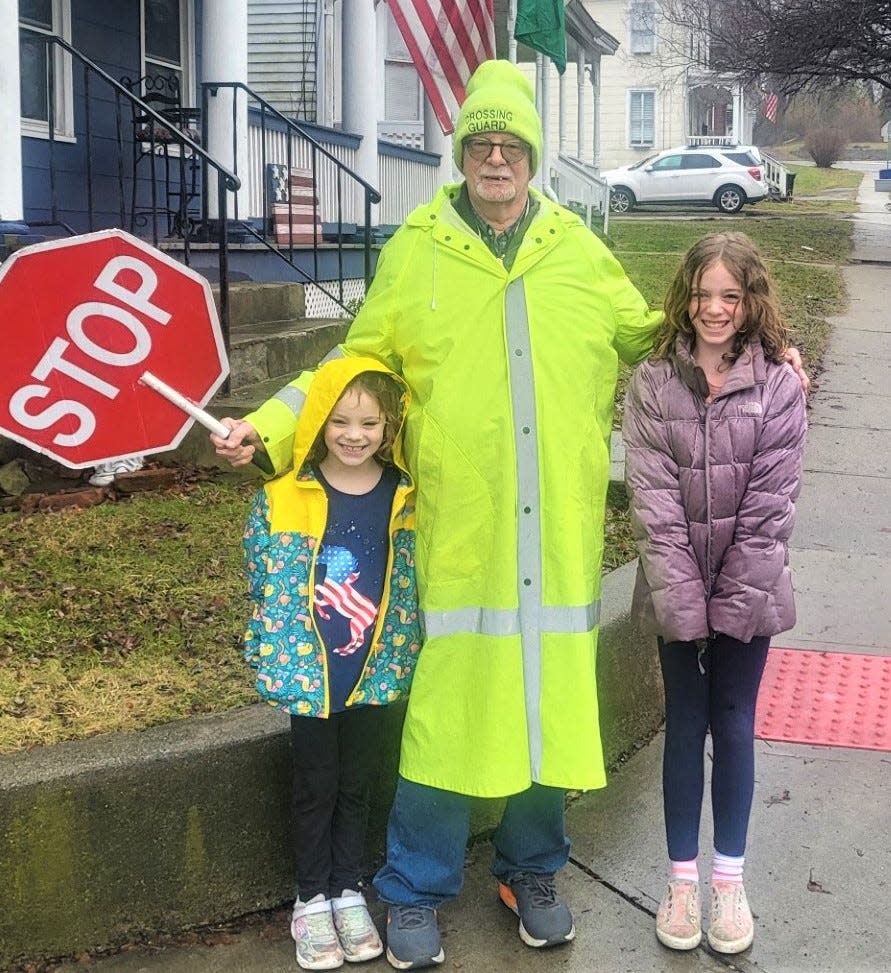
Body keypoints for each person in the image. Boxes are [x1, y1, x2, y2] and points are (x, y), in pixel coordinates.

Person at [214, 60, 805, 970]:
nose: (496, 158)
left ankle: (532, 869)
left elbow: (653, 330)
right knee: (448, 709)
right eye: (481, 143)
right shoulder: (416, 247)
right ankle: (414, 882)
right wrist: (266, 423)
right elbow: (354, 358)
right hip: (462, 533)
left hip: (558, 531)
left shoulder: (572, 243)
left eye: (512, 144)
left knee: (548, 708)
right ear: (462, 154)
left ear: (531, 155)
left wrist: (766, 344)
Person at [621, 232, 808, 957]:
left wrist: (728, 609)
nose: (713, 308)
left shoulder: (779, 386)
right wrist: (684, 608)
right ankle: (680, 880)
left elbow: (770, 506)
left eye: (729, 295)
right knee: (682, 725)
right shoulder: (651, 383)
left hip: (750, 594)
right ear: (685, 296)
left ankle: (727, 881)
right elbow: (652, 500)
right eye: (702, 293)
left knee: (731, 722)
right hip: (675, 593)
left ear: (750, 299)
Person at [242, 355, 421, 970]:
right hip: (312, 674)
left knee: (356, 784)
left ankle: (349, 889)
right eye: (341, 420)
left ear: (388, 427)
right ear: (319, 421)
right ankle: (310, 899)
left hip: (373, 670)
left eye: (369, 423)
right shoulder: (286, 496)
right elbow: (261, 579)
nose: (354, 434)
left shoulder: (405, 496)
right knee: (315, 786)